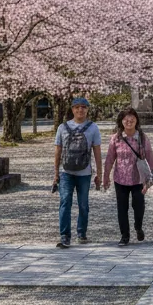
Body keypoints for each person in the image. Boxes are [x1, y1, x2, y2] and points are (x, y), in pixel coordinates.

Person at [104, 107, 153, 247]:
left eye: (132, 119)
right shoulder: (115, 138)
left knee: (139, 206)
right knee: (122, 208)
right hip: (120, 178)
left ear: (136, 121)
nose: (129, 121)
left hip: (137, 178)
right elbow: (110, 158)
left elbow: (150, 156)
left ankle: (138, 227)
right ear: (121, 121)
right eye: (126, 119)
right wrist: (105, 176)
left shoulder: (142, 137)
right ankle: (124, 236)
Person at [53, 97, 102, 249]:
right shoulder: (62, 127)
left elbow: (97, 151)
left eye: (83, 107)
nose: (80, 110)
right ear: (72, 109)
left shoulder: (93, 128)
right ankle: (65, 236)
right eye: (77, 107)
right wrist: (56, 173)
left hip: (85, 172)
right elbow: (58, 151)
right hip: (66, 172)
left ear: (87, 109)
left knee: (83, 204)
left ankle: (82, 233)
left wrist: (99, 173)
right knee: (65, 202)